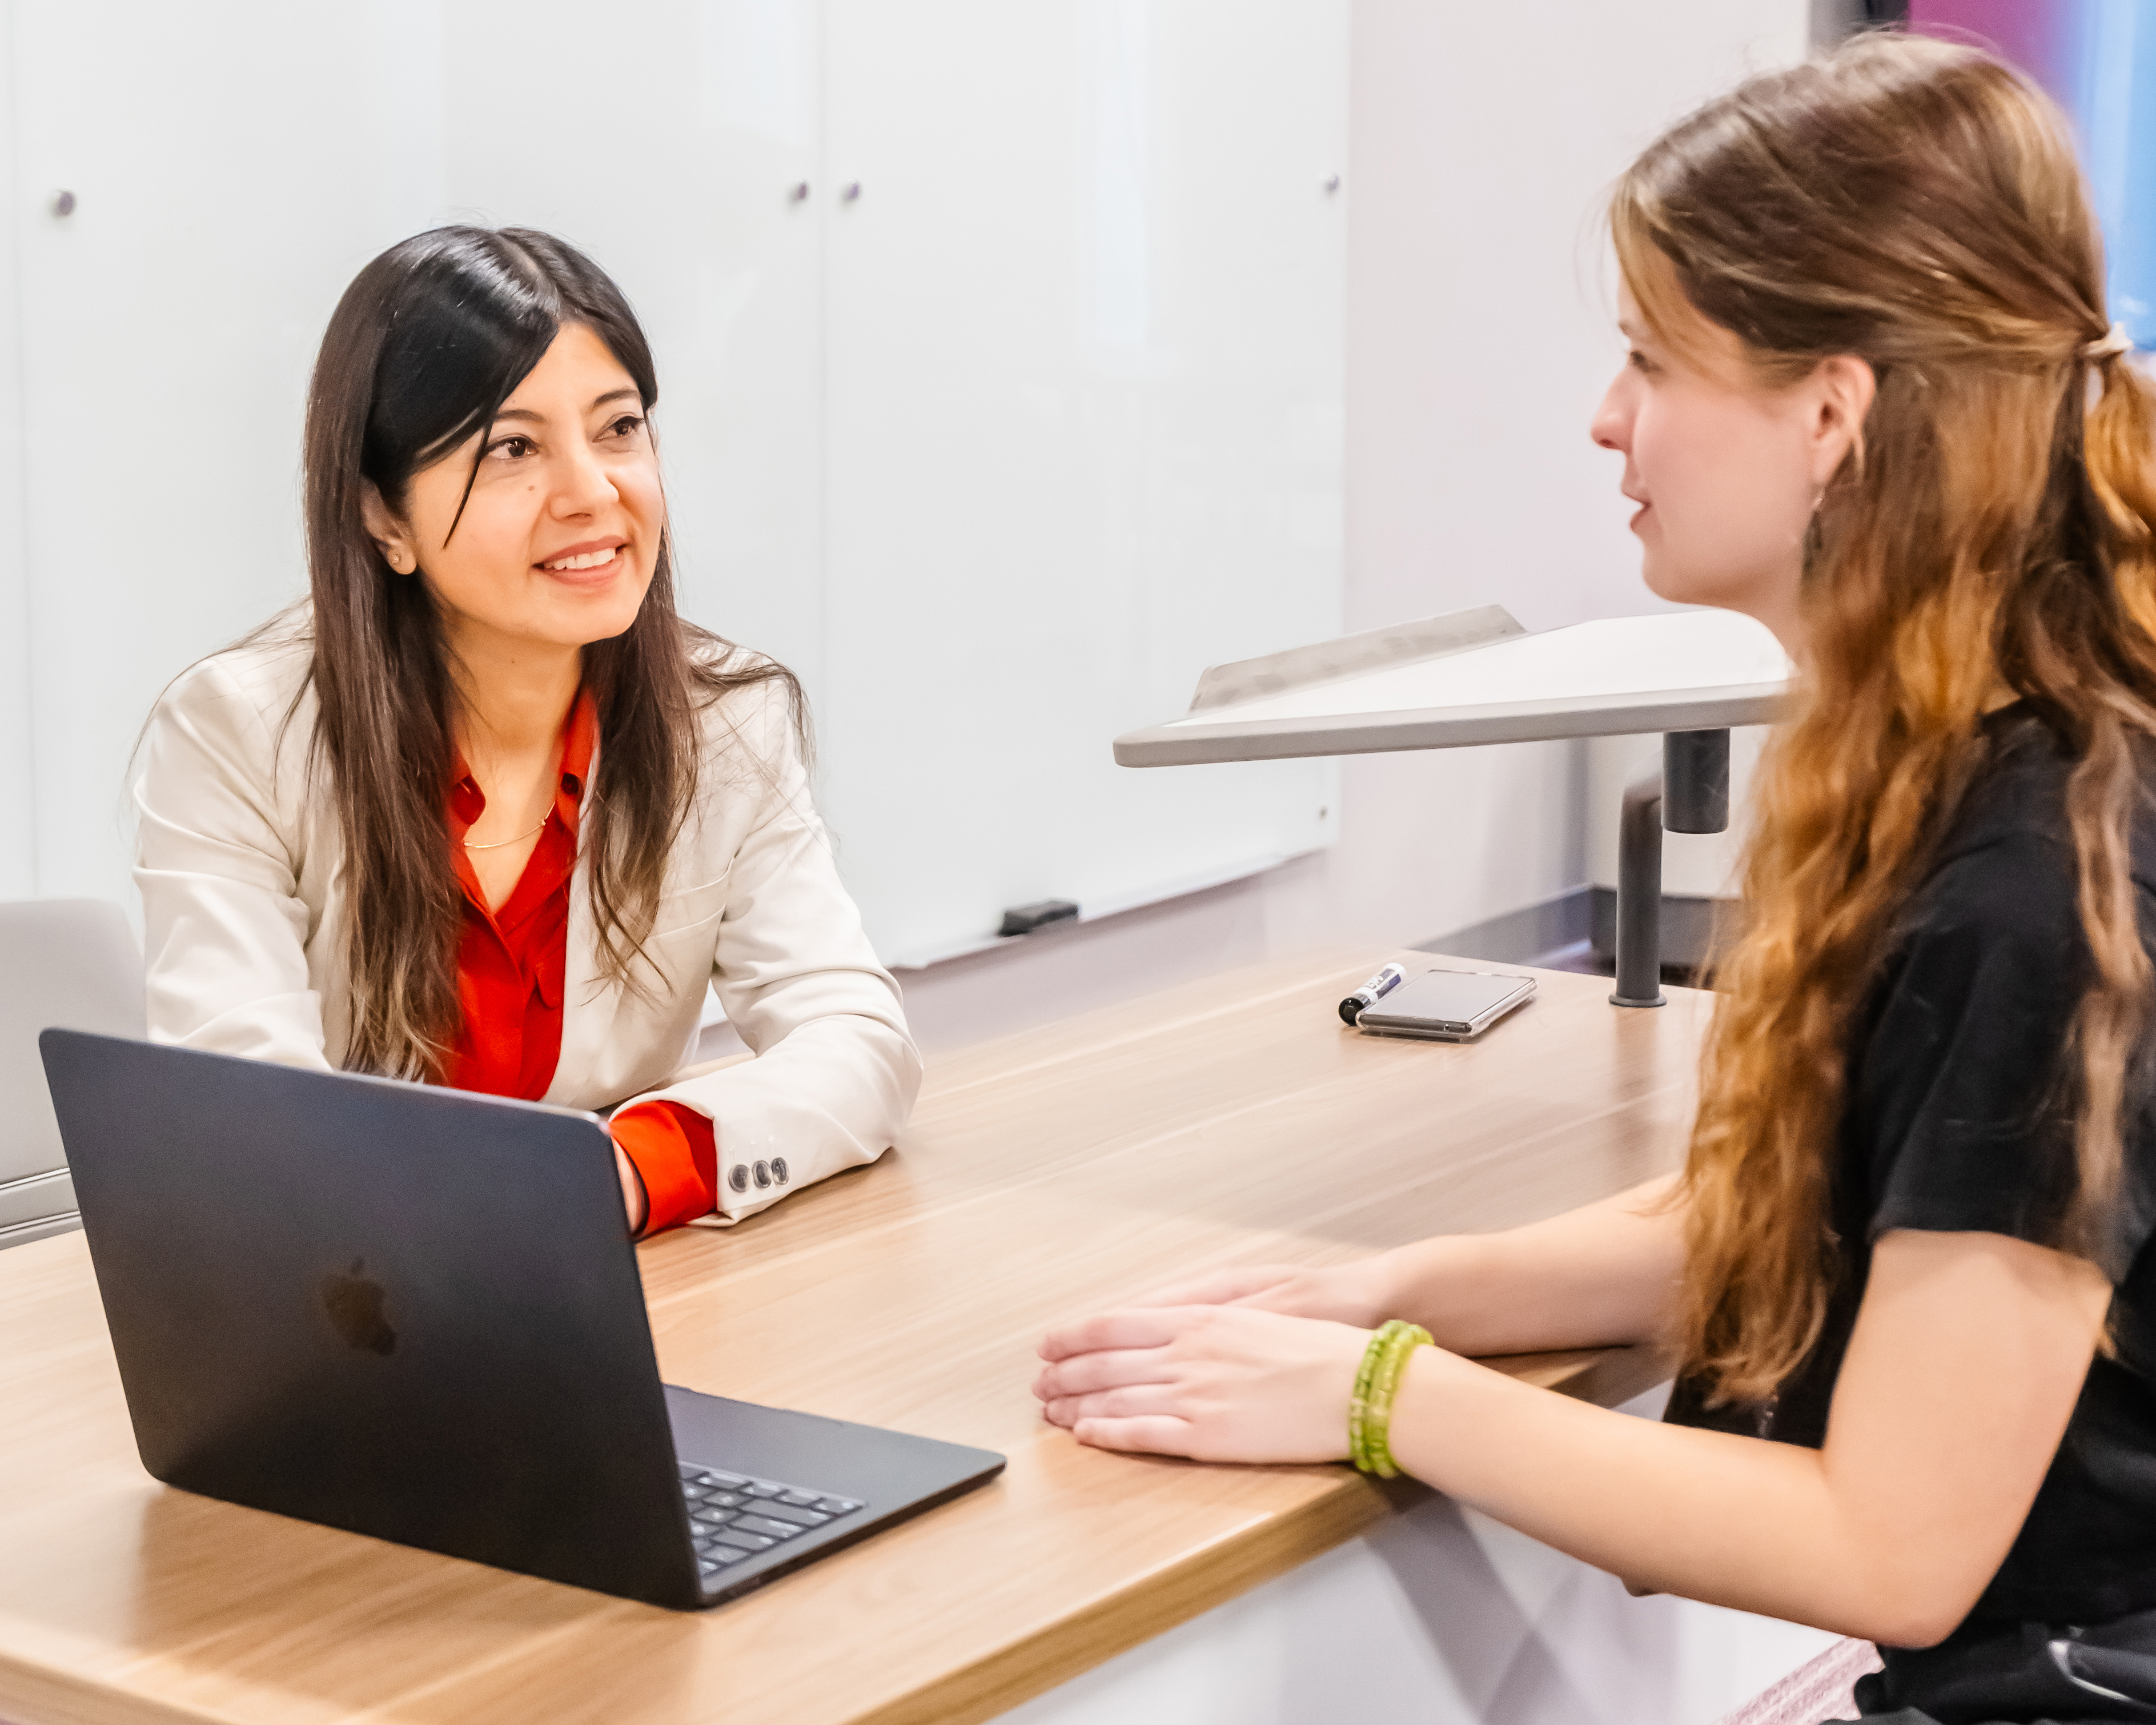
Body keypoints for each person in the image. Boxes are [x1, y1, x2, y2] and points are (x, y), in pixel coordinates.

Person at [1033, 34, 2156, 1719]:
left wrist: (1381, 1392)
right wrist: (1398, 1289)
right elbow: (1841, 1210)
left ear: (1830, 417)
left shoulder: (2037, 888)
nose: (1604, 417)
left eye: (1649, 358)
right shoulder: (1971, 763)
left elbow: (1888, 1545)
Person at [135, 227, 917, 1236]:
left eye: (619, 428)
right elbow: (246, 1114)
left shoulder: (724, 720)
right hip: (352, 1301)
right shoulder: (237, 733)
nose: (593, 493)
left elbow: (857, 1040)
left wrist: (629, 1169)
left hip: (619, 1287)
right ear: (383, 516)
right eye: (513, 447)